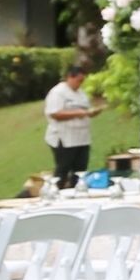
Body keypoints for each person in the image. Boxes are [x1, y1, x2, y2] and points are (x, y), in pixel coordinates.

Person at [45, 59, 98, 189]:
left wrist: (90, 113)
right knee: (63, 168)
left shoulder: (81, 94)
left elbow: (85, 110)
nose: (80, 84)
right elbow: (54, 113)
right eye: (78, 81)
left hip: (82, 138)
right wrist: (77, 113)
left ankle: (76, 190)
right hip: (64, 137)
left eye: (82, 81)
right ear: (70, 77)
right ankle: (57, 191)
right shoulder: (58, 92)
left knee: (80, 170)